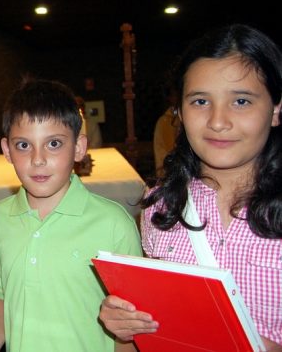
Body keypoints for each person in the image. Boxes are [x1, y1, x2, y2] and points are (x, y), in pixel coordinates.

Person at [99, 24, 282, 351]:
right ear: (180, 112)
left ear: (276, 109)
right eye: (200, 101)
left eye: (241, 101)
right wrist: (126, 327)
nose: (218, 121)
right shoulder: (160, 206)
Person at [0, 78, 142, 352]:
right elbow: (2, 299)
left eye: (53, 144)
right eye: (23, 145)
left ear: (78, 147)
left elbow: (128, 327)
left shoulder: (114, 224)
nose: (38, 159)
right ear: (7, 150)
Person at [152, 82, 180, 175]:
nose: (177, 98)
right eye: (175, 95)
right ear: (170, 98)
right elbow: (161, 149)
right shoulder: (164, 121)